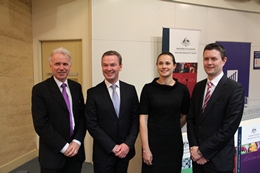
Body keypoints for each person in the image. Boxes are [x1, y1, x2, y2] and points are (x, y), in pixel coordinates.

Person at [187, 43, 244, 173]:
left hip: (219, 161)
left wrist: (203, 151)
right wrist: (195, 148)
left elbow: (229, 128)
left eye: (214, 59)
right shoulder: (199, 87)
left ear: (224, 61)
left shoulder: (234, 89)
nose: (209, 63)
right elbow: (191, 120)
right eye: (206, 59)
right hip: (197, 161)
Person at [31, 47, 86, 173]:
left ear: (70, 66)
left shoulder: (76, 87)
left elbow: (82, 117)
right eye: (57, 64)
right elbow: (41, 124)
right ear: (50, 66)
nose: (61, 68)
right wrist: (64, 146)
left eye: (65, 64)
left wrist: (77, 141)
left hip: (75, 153)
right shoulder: (40, 90)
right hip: (53, 154)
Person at [85, 50, 139, 173]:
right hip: (104, 153)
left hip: (125, 152)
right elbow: (92, 124)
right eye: (105, 65)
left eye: (113, 65)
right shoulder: (93, 93)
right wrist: (113, 147)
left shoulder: (130, 90)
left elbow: (135, 119)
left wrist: (127, 144)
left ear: (120, 66)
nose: (109, 68)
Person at [139, 52, 190, 173]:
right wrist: (145, 148)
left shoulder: (182, 90)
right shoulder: (148, 89)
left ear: (174, 66)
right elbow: (143, 119)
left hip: (173, 144)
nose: (164, 66)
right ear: (157, 66)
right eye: (160, 63)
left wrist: (171, 127)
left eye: (167, 63)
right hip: (152, 144)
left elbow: (185, 115)